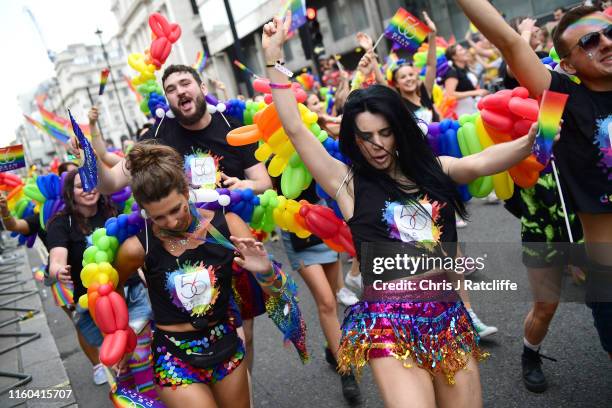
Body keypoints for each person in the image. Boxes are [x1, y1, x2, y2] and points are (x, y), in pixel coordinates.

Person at [262, 14, 542, 407]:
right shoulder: (348, 184)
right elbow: (294, 129)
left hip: (447, 313)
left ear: (399, 129)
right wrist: (273, 61)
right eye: (365, 137)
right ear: (353, 140)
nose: (376, 144)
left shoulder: (434, 169)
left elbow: (482, 162)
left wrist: (529, 142)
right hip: (388, 322)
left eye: (384, 132)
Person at [78, 65, 273, 371]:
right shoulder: (156, 137)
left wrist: (246, 185)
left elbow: (264, 182)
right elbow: (110, 183)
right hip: (177, 248)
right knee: (190, 326)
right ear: (168, 99)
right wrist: (88, 162)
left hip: (232, 243)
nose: (180, 91)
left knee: (243, 333)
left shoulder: (232, 127)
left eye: (185, 83)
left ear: (201, 88)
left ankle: (239, 388)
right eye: (171, 88)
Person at [455, 1, 611, 360]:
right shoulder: (565, 100)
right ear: (568, 64)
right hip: (596, 262)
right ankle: (530, 354)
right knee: (546, 305)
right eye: (589, 41)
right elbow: (509, 43)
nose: (605, 42)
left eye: (609, 33)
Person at [113, 142, 287, 407]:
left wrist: (264, 270)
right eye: (159, 217)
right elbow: (113, 287)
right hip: (174, 353)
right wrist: (121, 332)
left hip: (225, 341)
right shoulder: (137, 247)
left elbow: (277, 293)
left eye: (176, 209)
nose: (171, 222)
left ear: (186, 191)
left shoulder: (227, 225)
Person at [46, 170, 117, 385]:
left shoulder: (112, 212)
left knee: (139, 358)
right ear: (70, 192)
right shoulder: (61, 223)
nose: (87, 189)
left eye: (91, 183)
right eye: (79, 186)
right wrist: (59, 270)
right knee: (118, 364)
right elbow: (56, 259)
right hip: (92, 303)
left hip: (127, 293)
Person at [390, 12, 440, 125]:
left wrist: (432, 36)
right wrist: (372, 58)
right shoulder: (399, 105)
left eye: (411, 74)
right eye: (403, 77)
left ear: (416, 76)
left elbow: (431, 65)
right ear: (396, 83)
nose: (408, 79)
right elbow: (381, 82)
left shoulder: (425, 93)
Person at [443, 44, 489, 117]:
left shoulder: (464, 69)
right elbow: (450, 94)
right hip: (463, 110)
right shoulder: (452, 72)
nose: (465, 51)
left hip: (473, 105)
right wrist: (475, 92)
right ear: (454, 57)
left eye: (463, 49)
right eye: (461, 50)